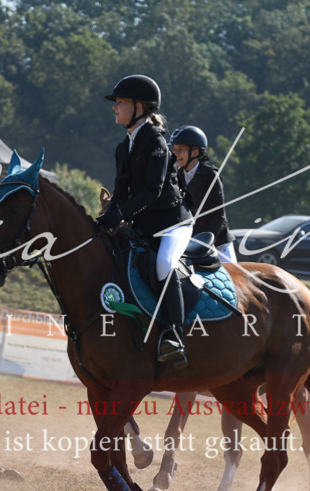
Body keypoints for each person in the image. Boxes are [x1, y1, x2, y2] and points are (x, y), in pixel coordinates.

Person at [97, 75, 192, 367]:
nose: (115, 108)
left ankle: (175, 335)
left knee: (163, 264)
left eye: (120, 103)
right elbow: (121, 191)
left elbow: (153, 191)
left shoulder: (157, 143)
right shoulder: (123, 147)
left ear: (139, 106)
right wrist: (105, 216)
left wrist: (121, 214)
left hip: (172, 225)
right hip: (144, 226)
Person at [170, 125, 236, 264]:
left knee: (232, 280)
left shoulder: (210, 175)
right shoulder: (177, 175)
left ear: (195, 152)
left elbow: (218, 215)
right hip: (191, 241)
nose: (176, 154)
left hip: (218, 241)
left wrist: (205, 242)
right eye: (174, 149)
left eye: (180, 150)